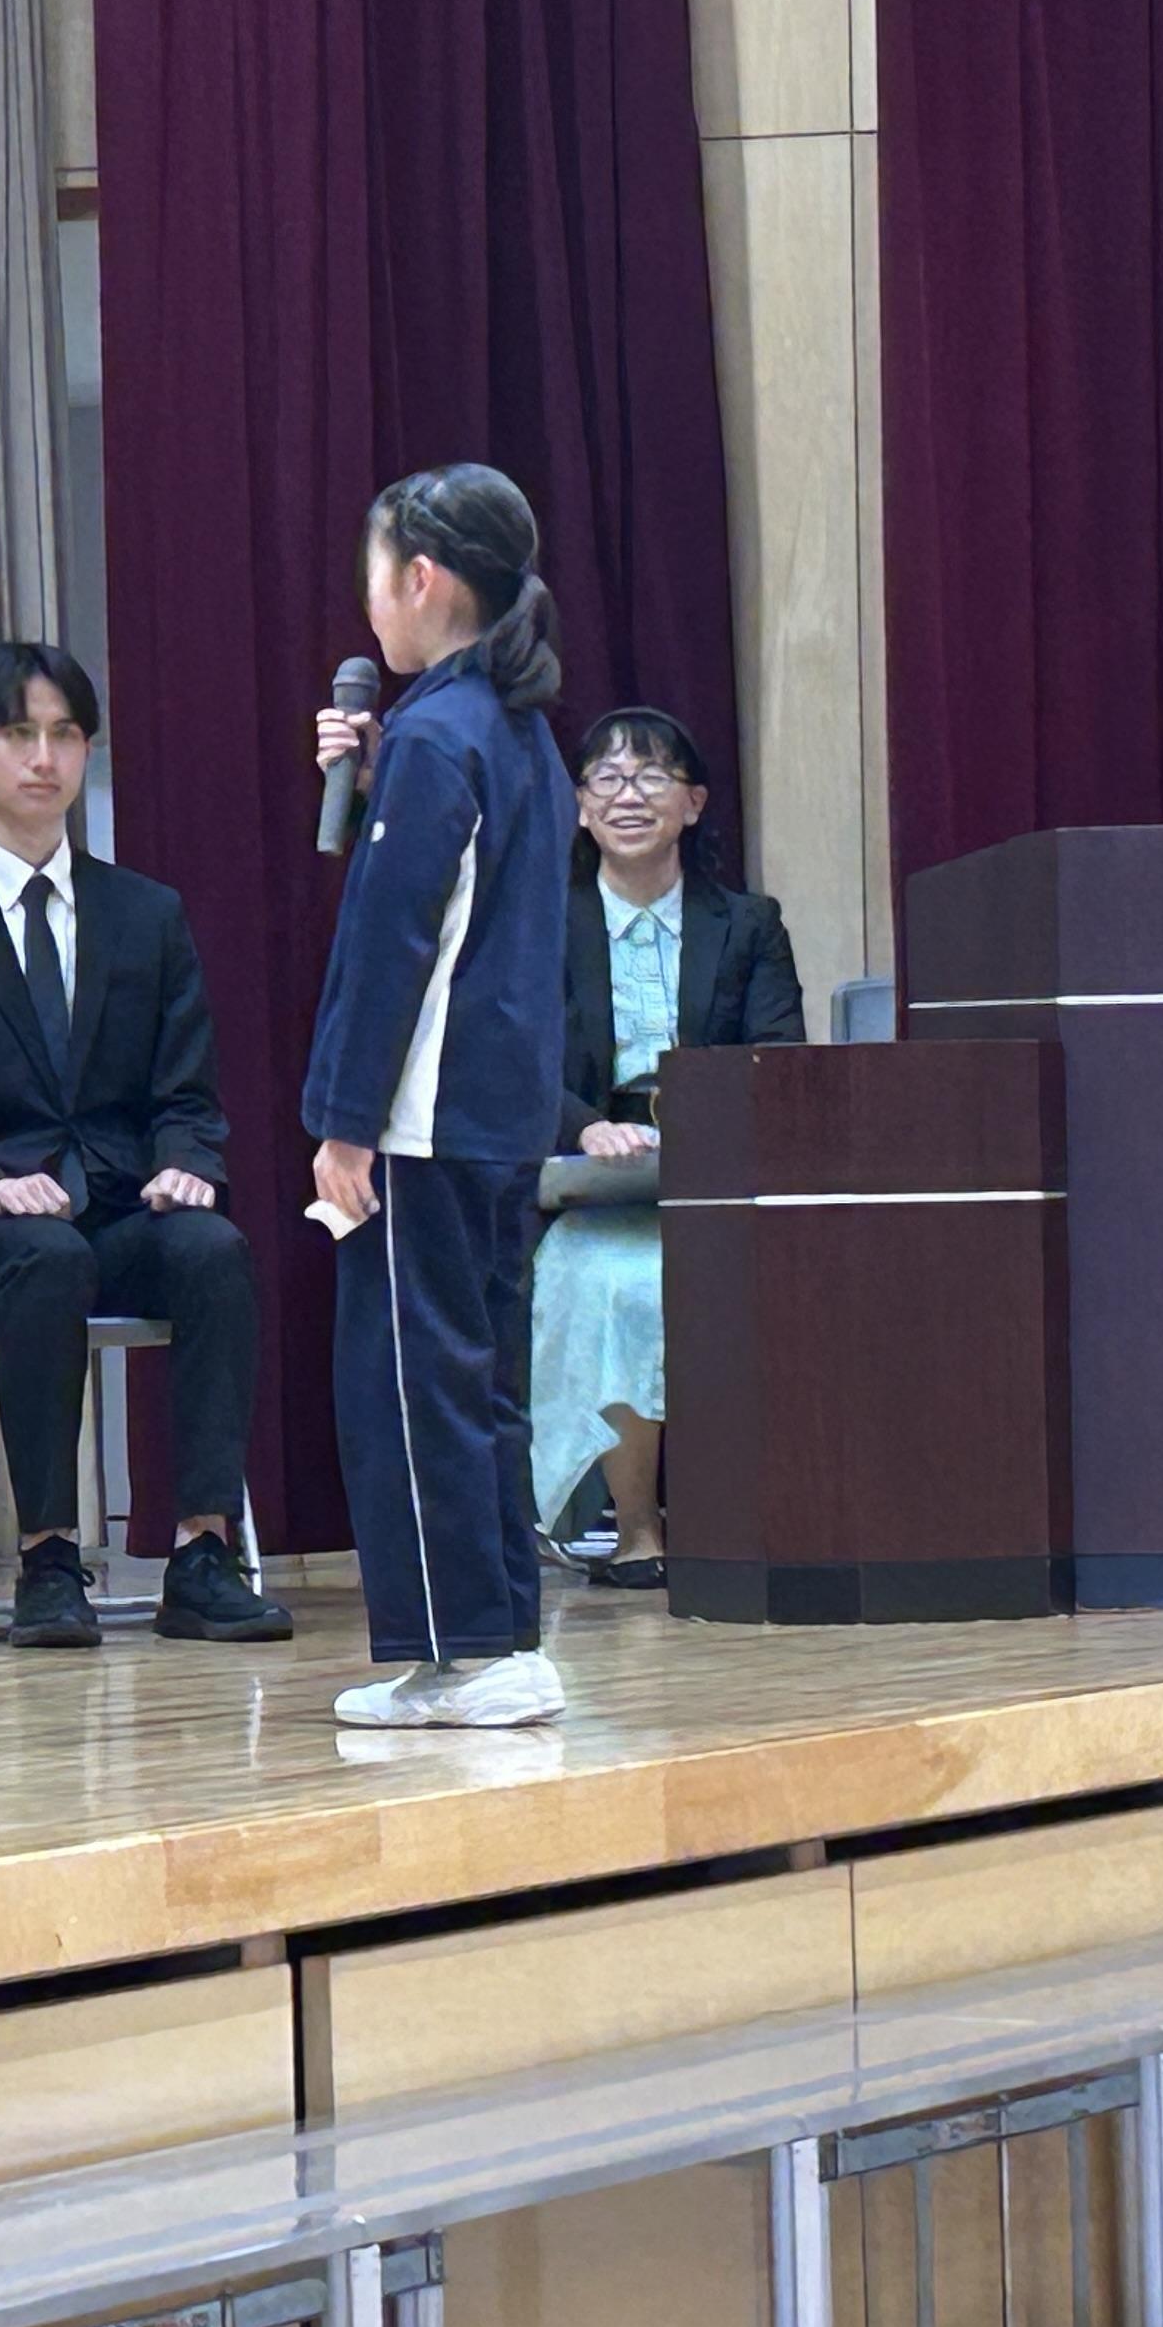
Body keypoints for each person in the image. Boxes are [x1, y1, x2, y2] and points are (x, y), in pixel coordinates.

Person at [0, 642, 293, 1651]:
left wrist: (187, 1161)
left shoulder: (146, 914)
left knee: (213, 1251)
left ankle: (203, 1551)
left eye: (65, 735)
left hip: (112, 1206)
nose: (45, 758)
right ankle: (48, 1558)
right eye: (19, 734)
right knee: (46, 1257)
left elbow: (188, 1093)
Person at [304, 463, 577, 1727]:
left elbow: (394, 949)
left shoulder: (435, 736)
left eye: (376, 575)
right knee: (482, 1385)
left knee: (411, 1386)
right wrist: (375, 782)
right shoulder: (511, 730)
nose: (369, 603)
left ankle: (460, 1653)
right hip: (501, 1113)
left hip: (421, 1118)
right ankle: (499, 1640)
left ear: (420, 579)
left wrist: (344, 1122)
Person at [531, 707, 807, 1586]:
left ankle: (740, 1516)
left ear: (693, 803)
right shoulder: (544, 924)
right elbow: (515, 1060)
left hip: (719, 1173)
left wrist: (703, 1123)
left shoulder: (749, 924)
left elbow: (779, 1057)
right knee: (611, 1283)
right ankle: (637, 1529)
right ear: (580, 808)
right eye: (607, 779)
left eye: (652, 776)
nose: (629, 795)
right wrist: (585, 1127)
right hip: (591, 1177)